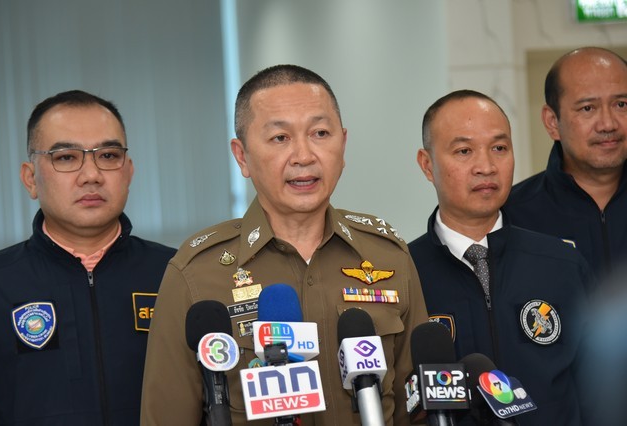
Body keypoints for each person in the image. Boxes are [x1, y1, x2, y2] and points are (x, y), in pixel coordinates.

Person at [141, 64, 428, 426]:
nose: (304, 156)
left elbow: (416, 410)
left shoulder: (388, 257)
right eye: (280, 138)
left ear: (343, 145)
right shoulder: (196, 274)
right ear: (242, 156)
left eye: (320, 133)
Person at [0, 90, 176, 426]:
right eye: (66, 158)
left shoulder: (177, 274)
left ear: (128, 172)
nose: (91, 175)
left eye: (108, 155)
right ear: (31, 178)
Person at [408, 90, 593, 425]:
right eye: (464, 151)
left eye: (499, 148)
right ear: (427, 164)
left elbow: (601, 390)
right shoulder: (405, 272)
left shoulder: (562, 263)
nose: (486, 167)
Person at [505, 47, 627, 278]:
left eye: (621, 104)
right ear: (552, 122)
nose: (608, 124)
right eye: (588, 108)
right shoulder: (512, 216)